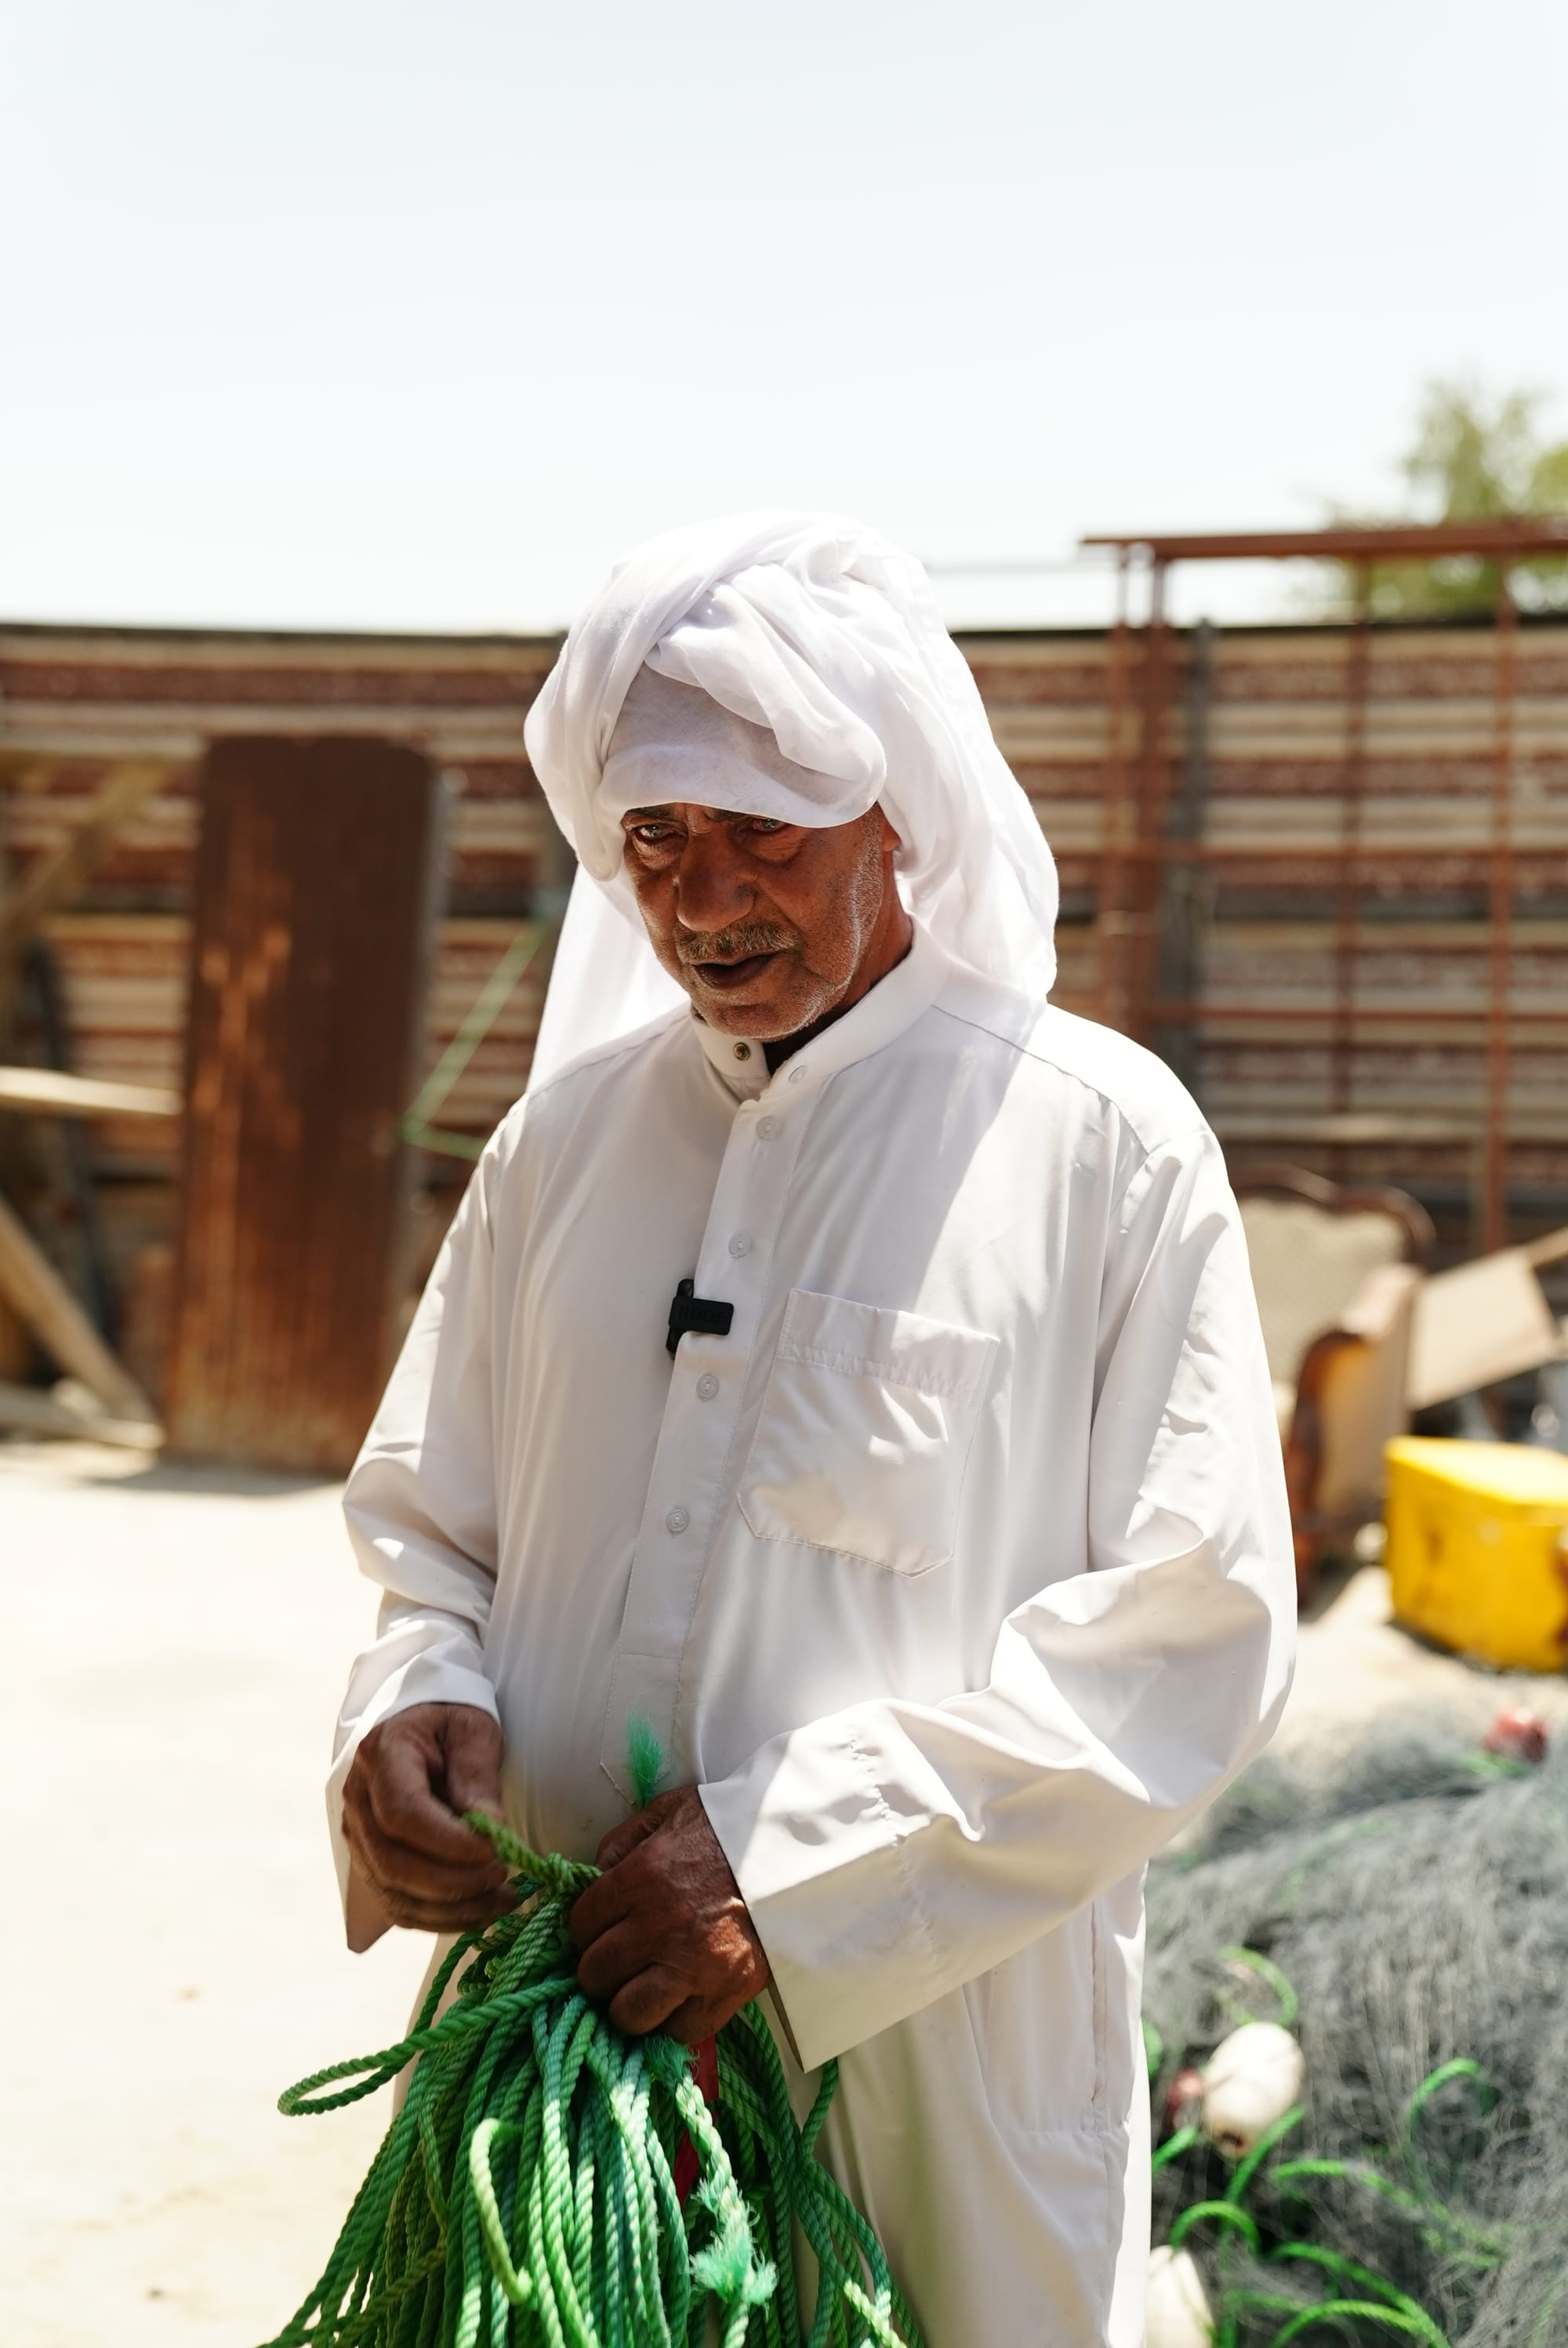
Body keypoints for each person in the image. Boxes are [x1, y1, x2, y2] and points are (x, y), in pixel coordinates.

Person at [328, 512, 1295, 2345]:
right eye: (656, 839)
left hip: (936, 2077)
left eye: (760, 830)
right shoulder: (559, 1150)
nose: (700, 898)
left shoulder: (1102, 1145)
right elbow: (429, 1535)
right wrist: (404, 1708)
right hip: (561, 2084)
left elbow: (1194, 1642)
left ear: (890, 815)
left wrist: (794, 1872)